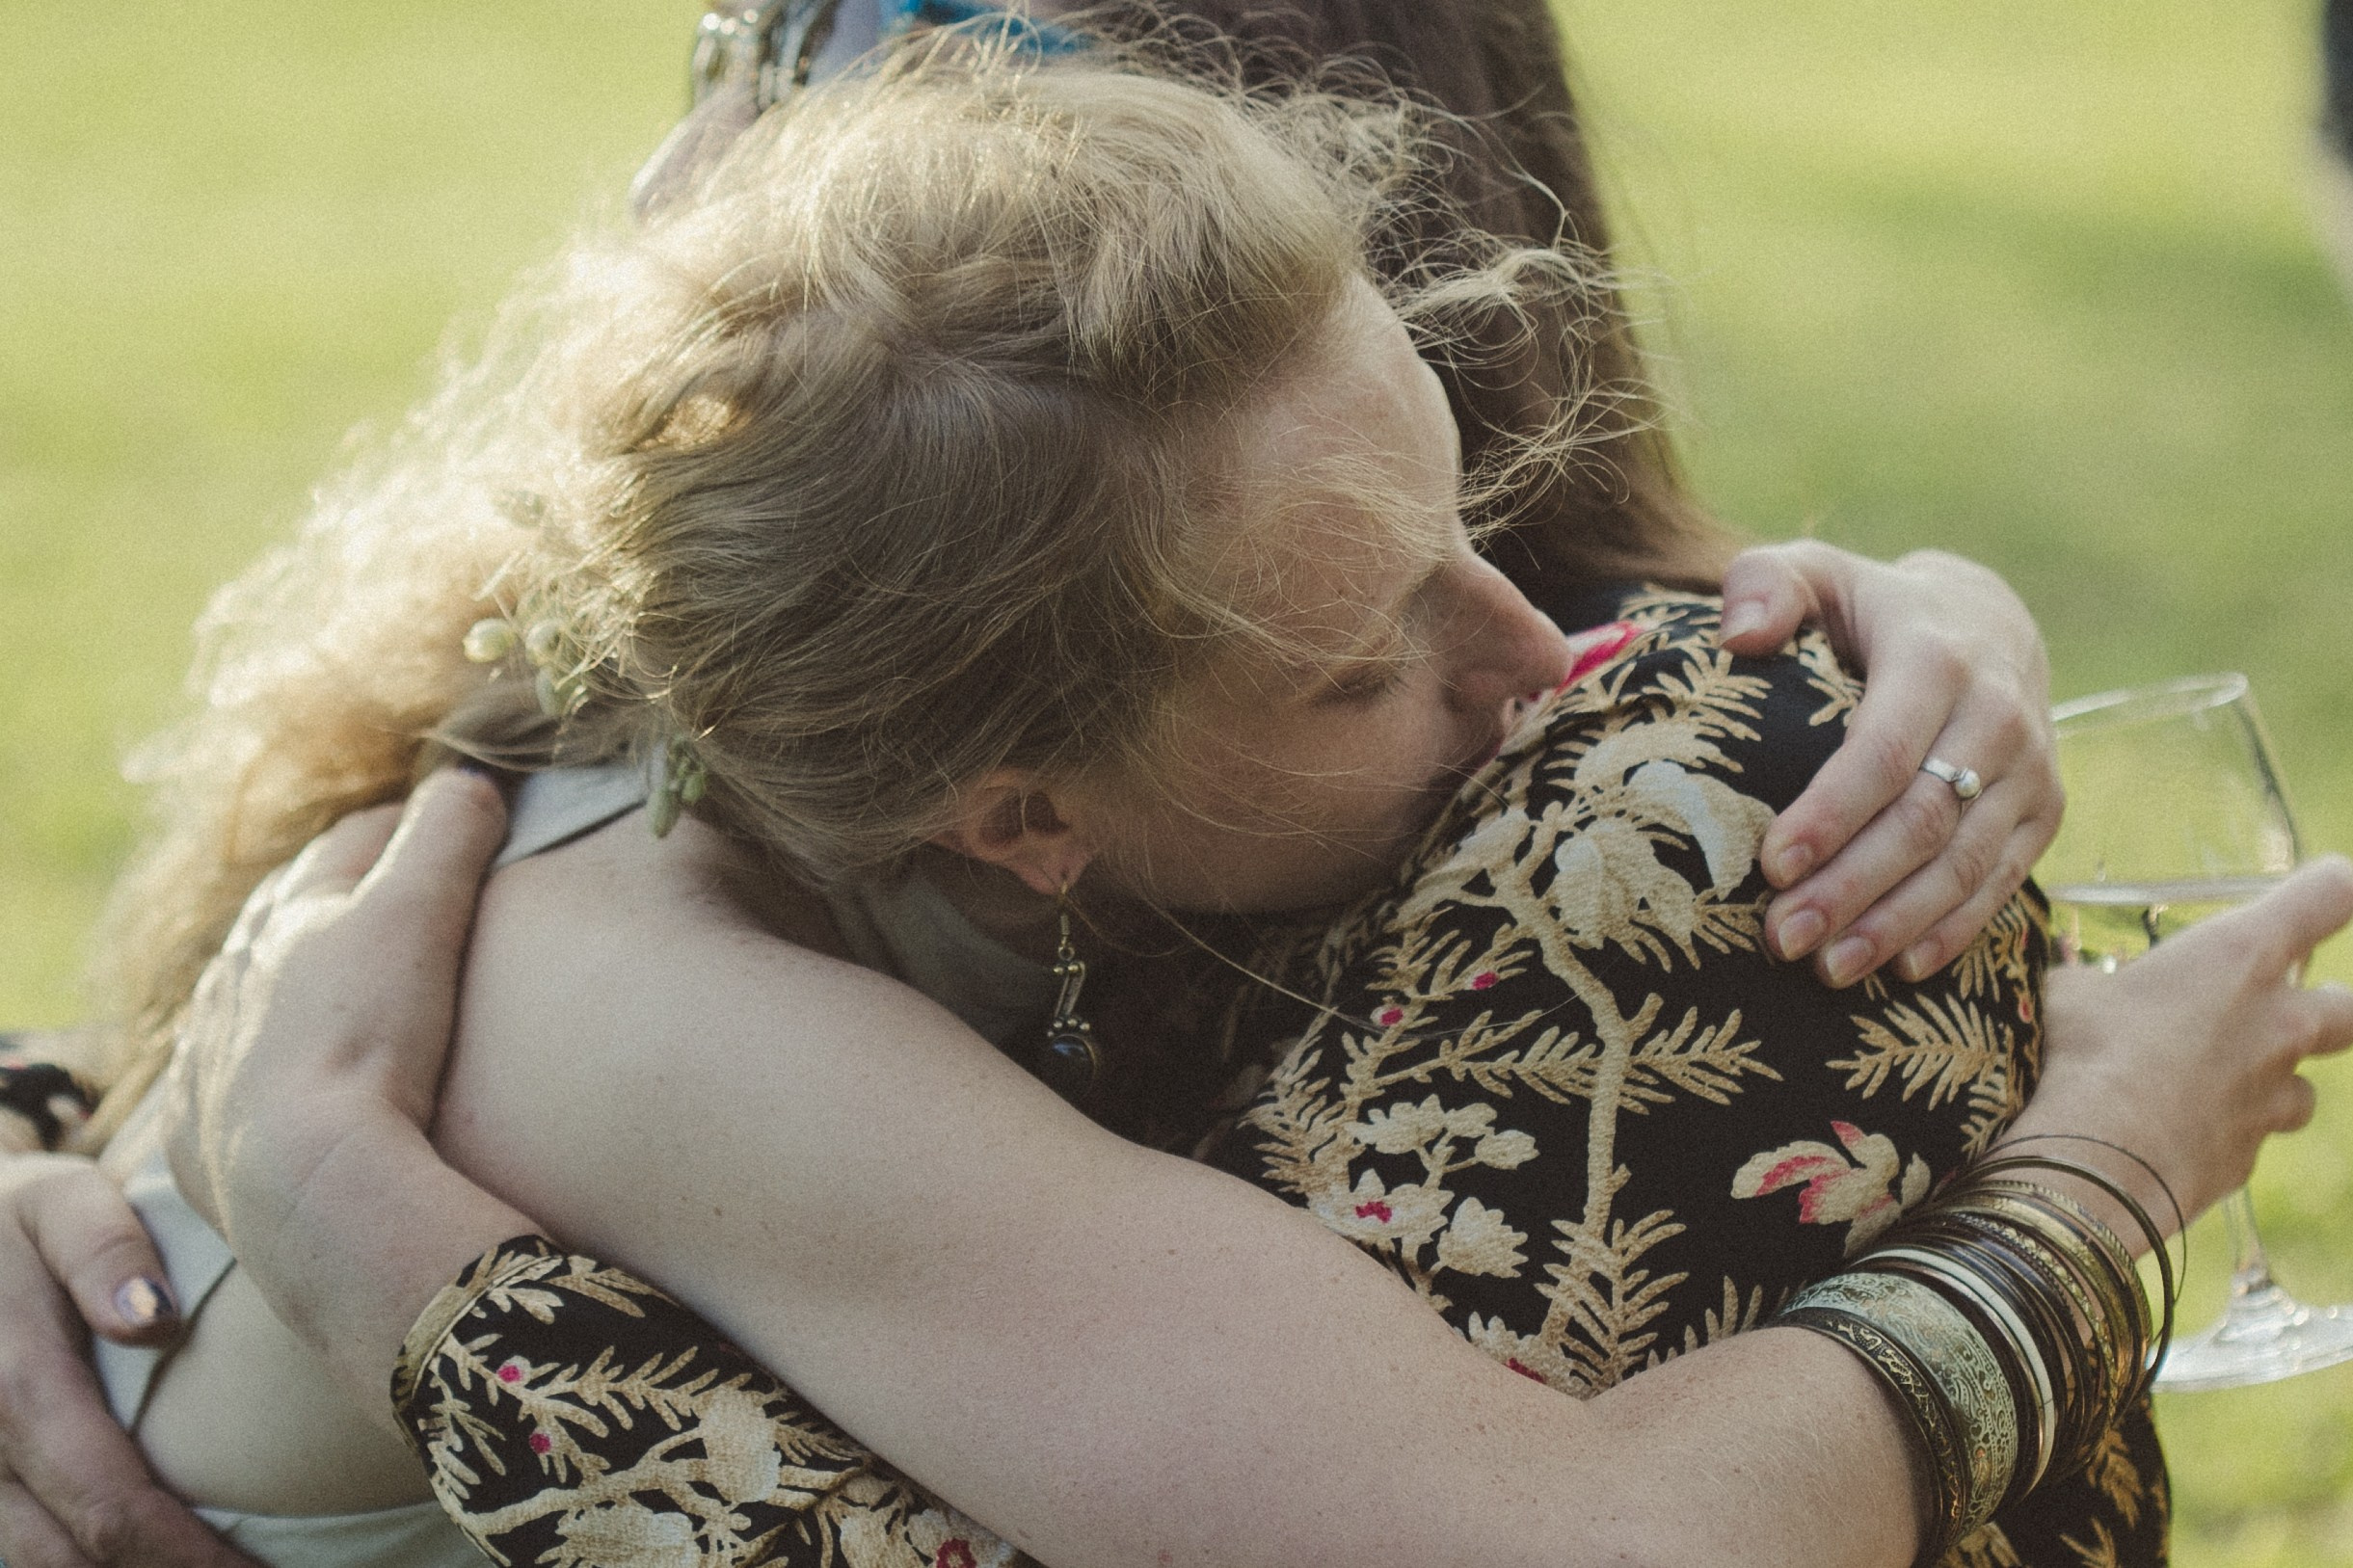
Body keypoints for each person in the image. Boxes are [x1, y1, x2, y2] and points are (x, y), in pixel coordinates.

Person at [4, 13, 2348, 1568]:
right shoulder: (641, 1004)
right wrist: (2104, 1168)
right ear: (1016, 816)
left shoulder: (897, 725)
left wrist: (1921, 608)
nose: (1538, 662)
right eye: (1364, 663)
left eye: (1469, 512)